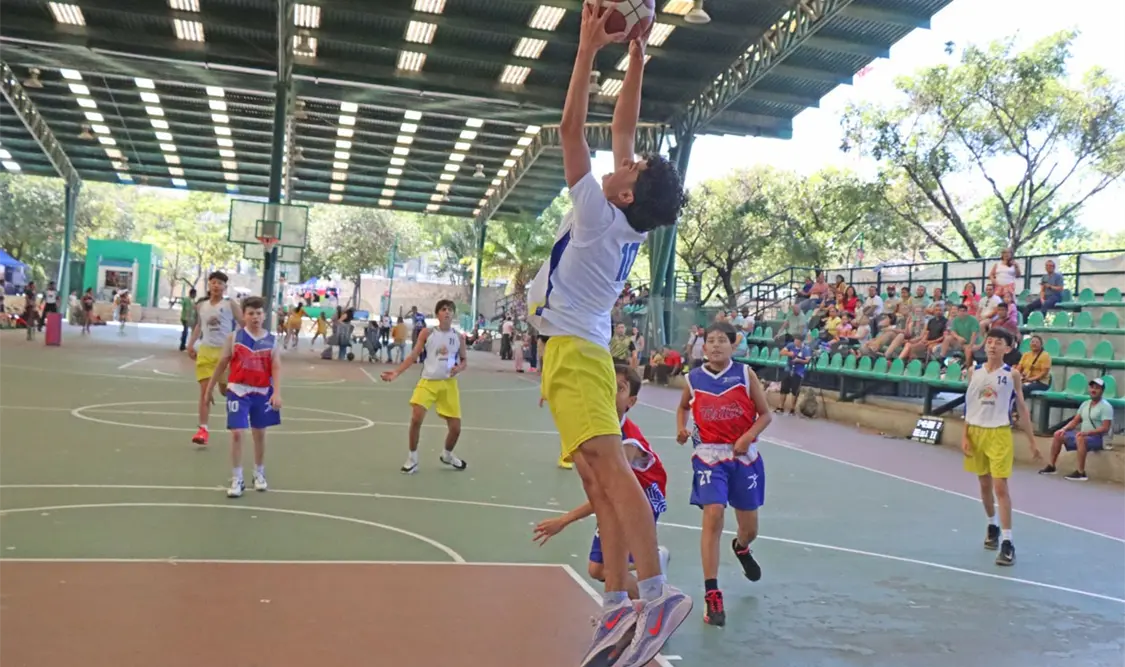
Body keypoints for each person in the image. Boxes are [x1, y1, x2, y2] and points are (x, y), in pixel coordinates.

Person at [524, 6, 690, 665]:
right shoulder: (626, 215)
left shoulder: (597, 211)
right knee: (596, 477)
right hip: (573, 348)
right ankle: (618, 602)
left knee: (614, 472)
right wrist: (638, 56)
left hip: (577, 351)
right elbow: (623, 124)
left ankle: (656, 595)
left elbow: (572, 128)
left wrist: (588, 48)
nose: (628, 158)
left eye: (634, 165)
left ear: (624, 191)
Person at [532, 365, 670, 600]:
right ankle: (652, 569)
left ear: (631, 401)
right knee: (597, 569)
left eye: (620, 388)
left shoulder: (628, 442)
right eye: (607, 385)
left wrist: (564, 520)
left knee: (611, 566)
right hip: (615, 497)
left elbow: (609, 492)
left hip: (644, 500)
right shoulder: (597, 427)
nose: (611, 392)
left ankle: (649, 599)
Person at [676, 322, 772, 627]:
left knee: (750, 529)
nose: (716, 345)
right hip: (709, 456)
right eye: (711, 340)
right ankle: (712, 593)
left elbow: (766, 414)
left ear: (733, 346)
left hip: (743, 456)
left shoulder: (745, 374)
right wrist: (681, 427)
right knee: (714, 513)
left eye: (722, 340)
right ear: (704, 347)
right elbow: (683, 408)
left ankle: (741, 547)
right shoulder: (693, 378)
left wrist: (748, 436)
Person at [961, 328, 1041, 566]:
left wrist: (1032, 441)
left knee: (1000, 487)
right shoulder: (974, 372)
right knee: (984, 485)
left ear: (1007, 348)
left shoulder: (1012, 375)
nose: (992, 345)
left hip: (999, 433)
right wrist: (965, 435)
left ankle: (1008, 543)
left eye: (998, 342)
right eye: (989, 341)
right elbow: (970, 405)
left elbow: (1022, 409)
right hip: (976, 432)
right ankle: (992, 525)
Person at [204, 297, 281, 498]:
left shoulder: (272, 341)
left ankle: (259, 472)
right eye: (251, 313)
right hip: (238, 390)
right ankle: (237, 478)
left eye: (258, 313)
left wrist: (277, 393)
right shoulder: (234, 338)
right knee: (237, 433)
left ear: (264, 316)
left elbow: (276, 367)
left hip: (262, 392)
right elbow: (222, 364)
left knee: (259, 433)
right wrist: (209, 388)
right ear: (244, 316)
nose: (255, 317)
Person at [381, 299, 468, 474]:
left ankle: (447, 455)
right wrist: (397, 372)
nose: (447, 312)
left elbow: (464, 360)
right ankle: (412, 459)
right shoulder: (427, 333)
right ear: (437, 314)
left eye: (450, 310)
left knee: (456, 428)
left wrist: (458, 368)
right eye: (443, 309)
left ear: (453, 314)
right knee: (416, 418)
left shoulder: (458, 337)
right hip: (428, 381)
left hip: (448, 384)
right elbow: (413, 355)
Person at [188, 272, 243, 447]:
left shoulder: (230, 304)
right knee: (205, 392)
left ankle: (240, 410)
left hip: (225, 353)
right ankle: (202, 430)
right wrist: (190, 344)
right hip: (205, 351)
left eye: (220, 283)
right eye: (213, 282)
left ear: (225, 287)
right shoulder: (201, 306)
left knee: (225, 391)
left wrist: (244, 345)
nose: (216, 285)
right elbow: (199, 326)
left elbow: (243, 323)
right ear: (209, 285)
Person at [1039, 377, 1113, 481]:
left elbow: (1105, 428)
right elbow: (1075, 421)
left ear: (1102, 391)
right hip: (1084, 436)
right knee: (1058, 434)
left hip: (1098, 439)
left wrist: (1087, 433)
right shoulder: (1085, 404)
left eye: (1097, 388)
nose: (1093, 390)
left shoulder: (1106, 407)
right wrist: (1063, 429)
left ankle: (1081, 472)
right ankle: (1051, 466)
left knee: (1080, 438)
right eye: (1092, 387)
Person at [776, 333, 811, 415]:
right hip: (788, 369)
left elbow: (807, 360)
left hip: (798, 371)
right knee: (784, 388)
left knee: (795, 391)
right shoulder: (790, 345)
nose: (795, 342)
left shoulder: (805, 349)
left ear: (801, 342)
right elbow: (781, 352)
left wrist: (799, 360)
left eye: (797, 341)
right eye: (795, 341)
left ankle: (792, 408)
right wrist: (789, 354)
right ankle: (781, 407)